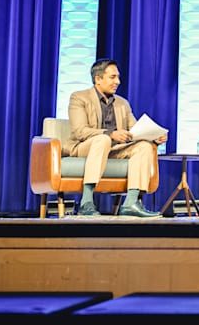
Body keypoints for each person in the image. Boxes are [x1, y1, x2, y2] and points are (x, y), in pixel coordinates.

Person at [63, 58, 166, 217]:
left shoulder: (122, 103)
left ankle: (131, 202)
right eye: (112, 77)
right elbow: (79, 131)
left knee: (145, 146)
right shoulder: (79, 97)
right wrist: (110, 134)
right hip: (85, 147)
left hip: (114, 149)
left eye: (118, 77)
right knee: (103, 139)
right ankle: (86, 202)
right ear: (98, 79)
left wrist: (153, 136)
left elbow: (135, 130)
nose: (117, 81)